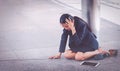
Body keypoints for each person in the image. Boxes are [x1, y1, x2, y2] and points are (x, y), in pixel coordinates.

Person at [49, 14, 117, 61]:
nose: (65, 28)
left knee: (78, 57)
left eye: (66, 26)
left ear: (71, 22)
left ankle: (97, 51)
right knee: (67, 54)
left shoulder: (82, 25)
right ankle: (87, 54)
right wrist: (59, 53)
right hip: (79, 46)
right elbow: (64, 38)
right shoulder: (67, 26)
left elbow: (78, 42)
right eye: (63, 27)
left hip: (89, 45)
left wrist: (73, 29)